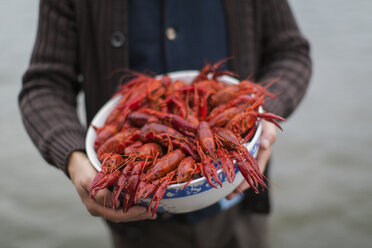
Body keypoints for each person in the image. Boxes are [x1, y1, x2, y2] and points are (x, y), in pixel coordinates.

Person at [19, 0, 311, 247]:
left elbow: (291, 52)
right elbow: (43, 85)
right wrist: (74, 158)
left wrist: (262, 114)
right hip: (139, 228)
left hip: (241, 211)